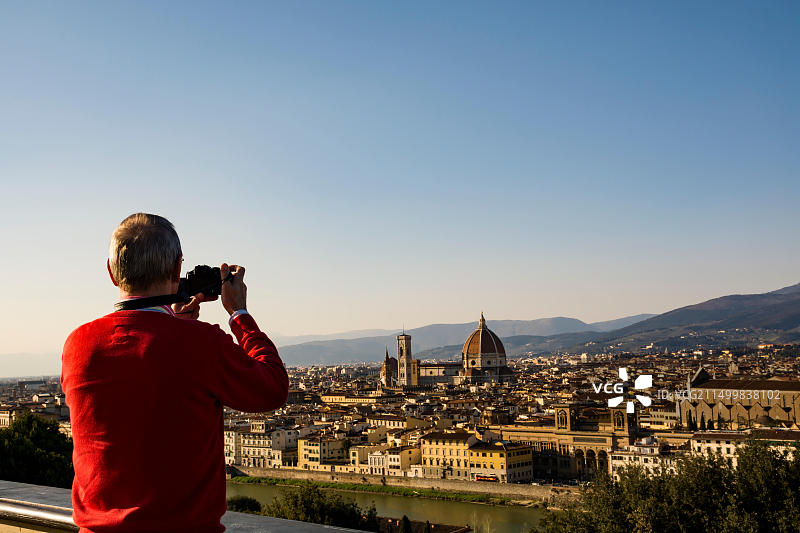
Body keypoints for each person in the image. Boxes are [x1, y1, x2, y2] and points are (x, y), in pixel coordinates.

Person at [61, 213, 288, 533]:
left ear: (112, 272)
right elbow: (273, 387)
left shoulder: (77, 346)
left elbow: (140, 368)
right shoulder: (201, 344)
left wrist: (172, 323)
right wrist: (239, 313)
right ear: (178, 268)